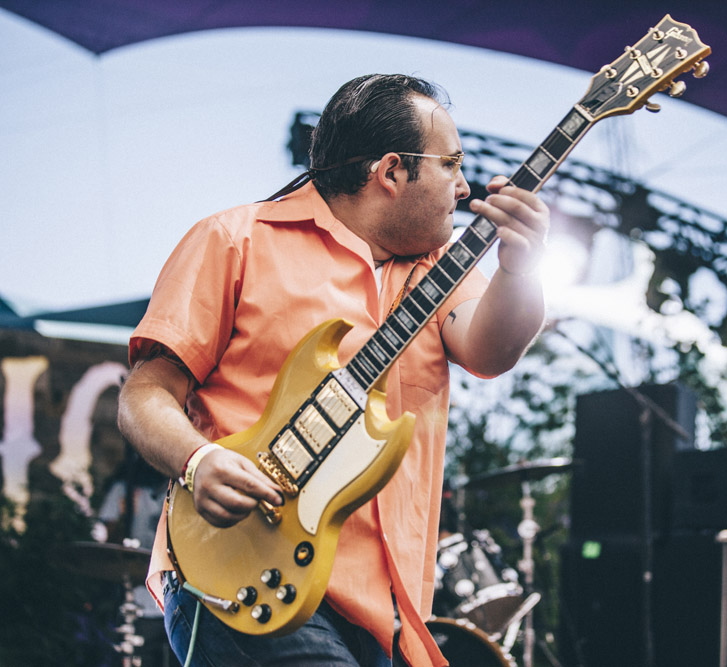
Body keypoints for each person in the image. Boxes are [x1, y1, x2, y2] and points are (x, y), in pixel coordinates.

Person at [116, 73, 548, 667]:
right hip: (243, 572)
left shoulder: (439, 270)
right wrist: (198, 460)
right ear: (391, 172)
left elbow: (490, 351)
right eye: (450, 164)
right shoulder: (235, 240)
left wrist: (521, 269)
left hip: (389, 613)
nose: (465, 185)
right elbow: (144, 394)